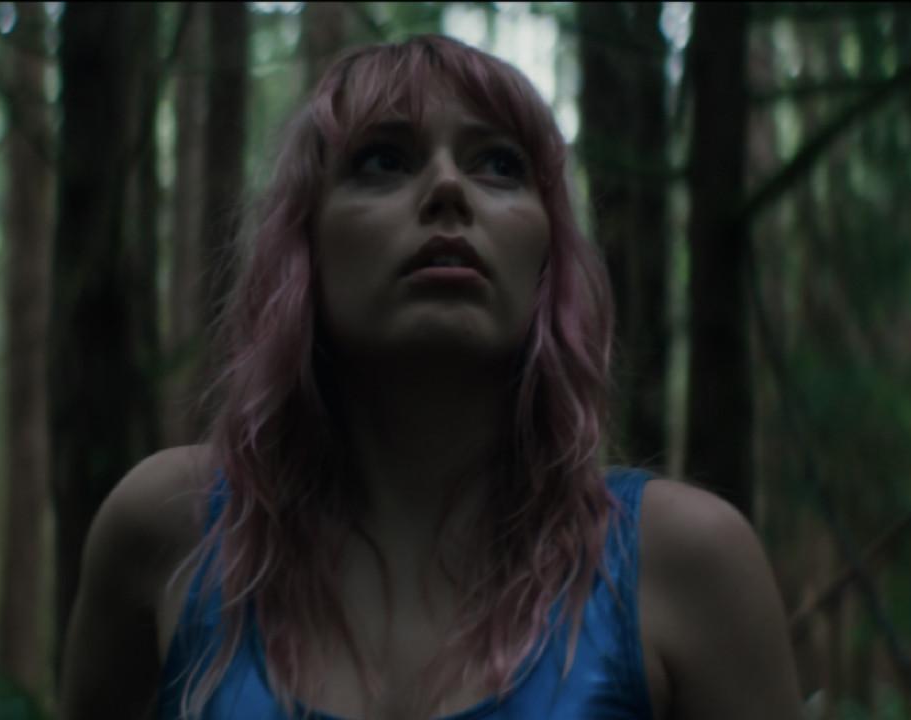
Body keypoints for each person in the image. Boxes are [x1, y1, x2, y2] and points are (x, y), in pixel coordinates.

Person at [60, 34, 803, 720]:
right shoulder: (171, 529)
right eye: (383, 159)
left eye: (500, 165)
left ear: (547, 256)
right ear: (304, 245)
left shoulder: (686, 564)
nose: (448, 188)